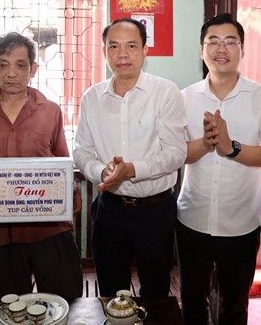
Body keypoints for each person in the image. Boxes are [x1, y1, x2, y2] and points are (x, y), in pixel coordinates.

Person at [176, 13, 261, 325]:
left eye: (230, 41)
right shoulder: (185, 98)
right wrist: (205, 143)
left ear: (242, 49)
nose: (221, 48)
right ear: (201, 50)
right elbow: (175, 155)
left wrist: (231, 148)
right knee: (192, 304)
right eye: (213, 41)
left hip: (241, 221)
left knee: (235, 307)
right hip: (192, 218)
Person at [73, 18, 187, 297]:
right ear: (105, 51)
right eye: (114, 46)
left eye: (131, 46)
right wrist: (101, 172)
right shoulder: (92, 97)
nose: (122, 54)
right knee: (111, 292)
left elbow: (176, 153)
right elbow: (81, 151)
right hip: (110, 210)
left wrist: (131, 170)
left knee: (155, 292)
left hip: (155, 211)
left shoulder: (165, 92)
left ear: (145, 50)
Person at [0, 32, 83, 303]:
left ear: (33, 69)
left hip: (50, 227)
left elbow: (61, 163)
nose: (11, 73)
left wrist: (72, 191)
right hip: (0, 232)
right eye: (3, 64)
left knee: (63, 301)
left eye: (20, 65)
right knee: (9, 306)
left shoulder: (50, 111)